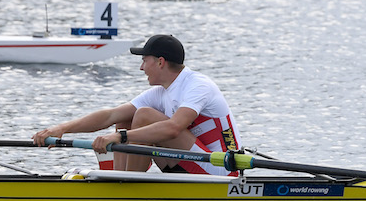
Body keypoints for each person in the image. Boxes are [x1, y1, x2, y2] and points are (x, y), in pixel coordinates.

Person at [32, 34, 240, 176]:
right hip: (189, 162)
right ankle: (120, 179)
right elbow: (110, 116)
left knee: (143, 116)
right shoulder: (162, 92)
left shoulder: (198, 85)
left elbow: (174, 128)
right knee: (125, 118)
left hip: (220, 168)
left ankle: (128, 185)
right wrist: (62, 128)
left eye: (144, 60)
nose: (141, 68)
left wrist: (119, 137)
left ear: (160, 62)